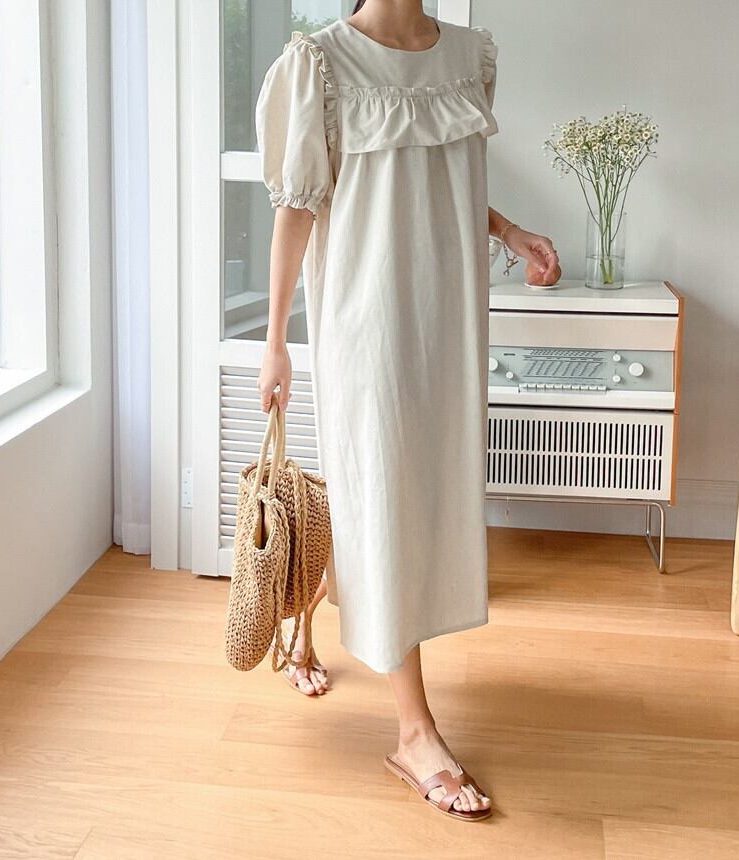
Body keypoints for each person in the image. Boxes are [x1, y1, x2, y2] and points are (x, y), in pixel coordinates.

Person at [255, 0, 560, 821]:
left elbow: (438, 181)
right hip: (365, 321)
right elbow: (297, 206)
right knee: (383, 499)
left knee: (404, 499)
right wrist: (275, 341)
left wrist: (510, 232)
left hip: (446, 316)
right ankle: (414, 732)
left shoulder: (469, 55)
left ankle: (306, 629)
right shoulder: (320, 63)